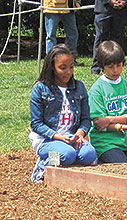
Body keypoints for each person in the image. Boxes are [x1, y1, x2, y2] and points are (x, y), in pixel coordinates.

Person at [29, 44, 97, 182]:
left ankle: (65, 168)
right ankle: (42, 166)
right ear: (52, 67)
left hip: (72, 137)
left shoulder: (79, 87)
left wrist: (80, 133)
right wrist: (59, 137)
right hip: (47, 138)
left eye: (71, 67)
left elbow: (85, 119)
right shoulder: (40, 89)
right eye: (63, 68)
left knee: (89, 155)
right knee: (67, 154)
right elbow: (36, 124)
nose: (68, 72)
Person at [88, 40, 127, 163]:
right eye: (110, 67)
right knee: (125, 166)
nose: (115, 70)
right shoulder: (96, 90)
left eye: (119, 65)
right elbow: (100, 125)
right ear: (101, 67)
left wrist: (109, 120)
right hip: (105, 142)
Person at [91, 0, 127, 74]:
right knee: (100, 38)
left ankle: (115, 64)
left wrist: (124, 1)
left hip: (121, 11)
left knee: (117, 40)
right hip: (103, 9)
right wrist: (110, 1)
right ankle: (96, 66)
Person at [43, 0, 84, 66]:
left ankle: (70, 60)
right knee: (51, 36)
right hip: (52, 7)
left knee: (73, 34)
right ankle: (50, 61)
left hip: (69, 7)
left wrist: (77, 2)